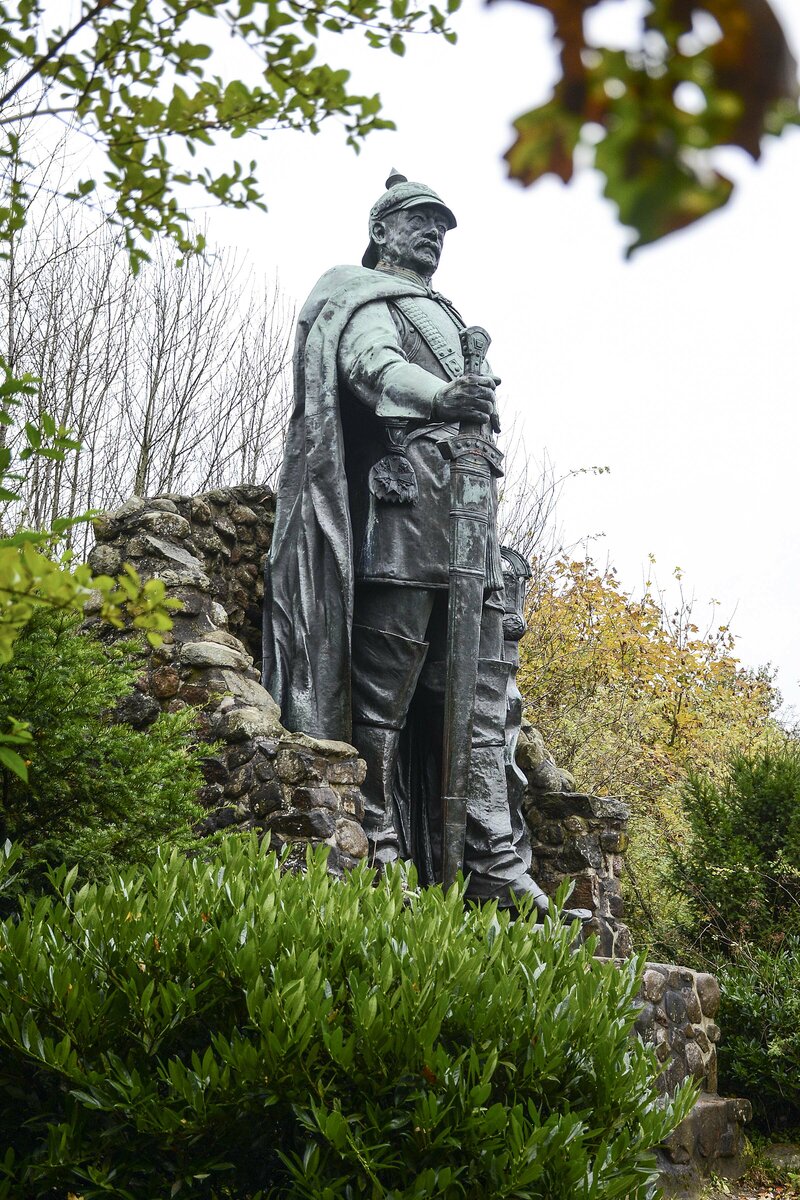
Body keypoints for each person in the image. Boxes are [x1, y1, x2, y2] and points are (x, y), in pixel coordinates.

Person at [264, 172, 548, 911]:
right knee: (385, 693)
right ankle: (381, 843)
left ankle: (493, 862)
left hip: (472, 519)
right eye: (419, 220)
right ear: (382, 229)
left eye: (442, 227)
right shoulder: (363, 295)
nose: (433, 234)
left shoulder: (448, 316)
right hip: (407, 511)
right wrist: (442, 397)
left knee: (479, 695)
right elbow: (372, 368)